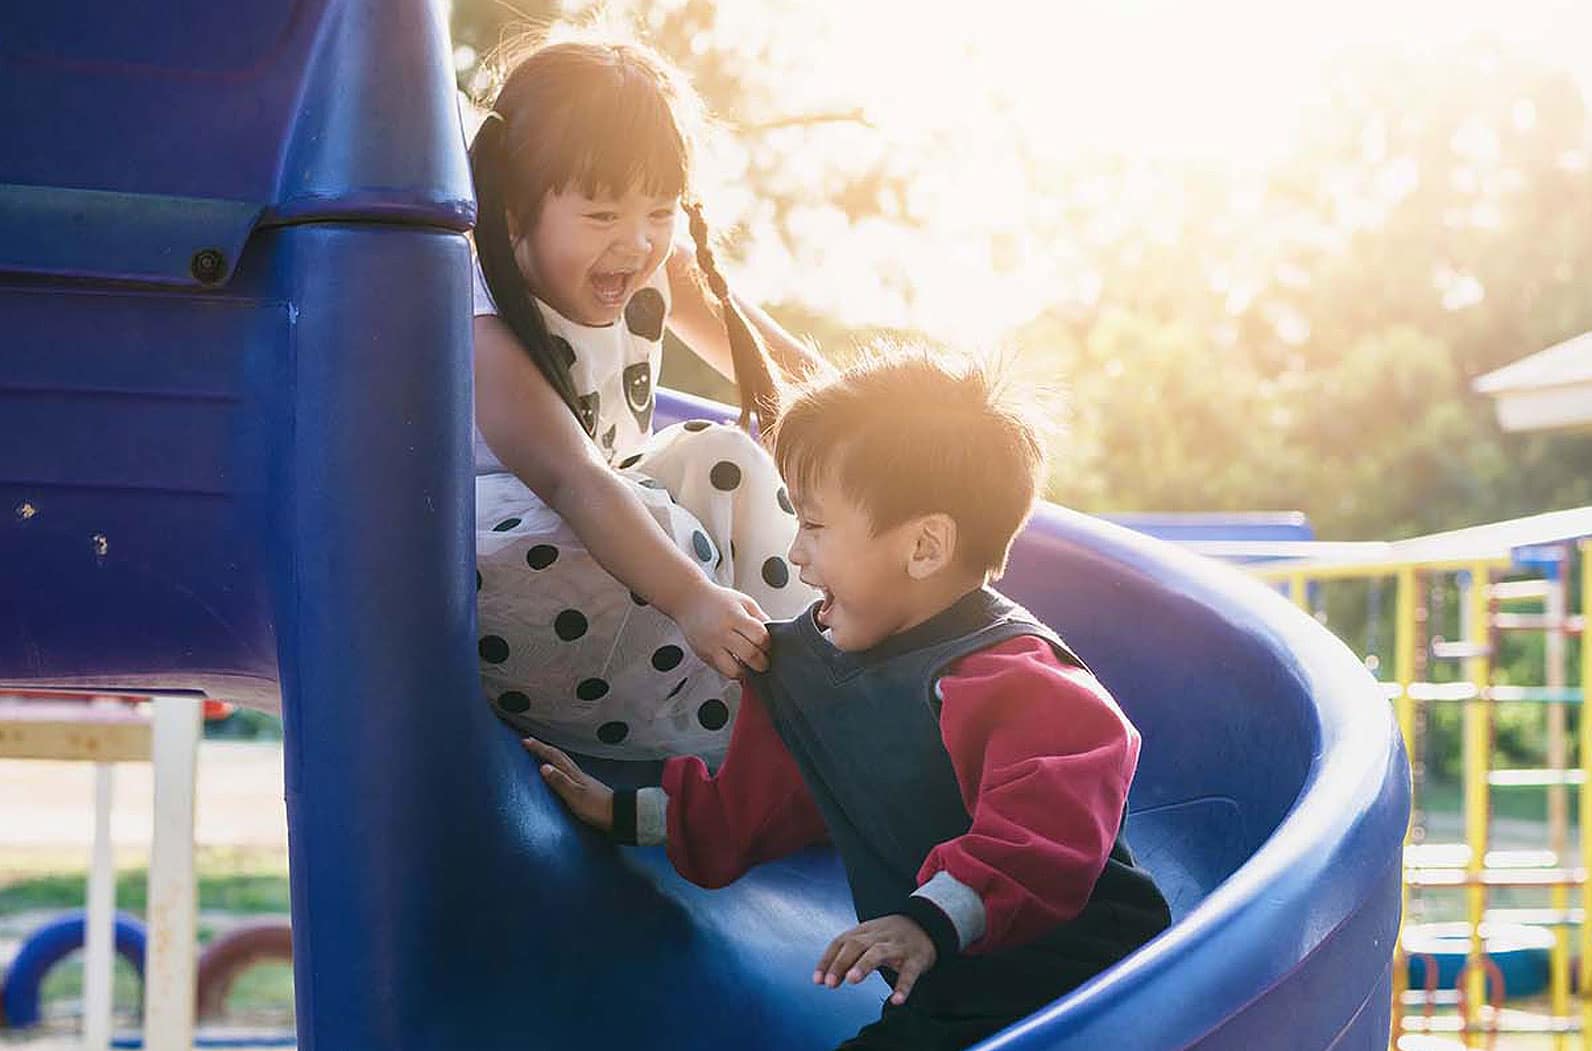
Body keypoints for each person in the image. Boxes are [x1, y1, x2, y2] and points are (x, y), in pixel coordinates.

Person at [527, 350, 1172, 1050]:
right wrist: (622, 810)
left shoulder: (1021, 681)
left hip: (1102, 989)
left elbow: (1045, 837)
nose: (797, 555)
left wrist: (927, 919)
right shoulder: (812, 668)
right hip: (947, 996)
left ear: (925, 545)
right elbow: (754, 805)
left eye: (815, 525)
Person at [468, 29, 827, 763]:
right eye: (602, 215)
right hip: (504, 585)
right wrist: (694, 596)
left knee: (721, 453)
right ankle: (725, 733)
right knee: (660, 517)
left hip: (620, 566)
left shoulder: (659, 268)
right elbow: (573, 477)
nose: (636, 242)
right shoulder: (481, 321)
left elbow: (785, 375)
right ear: (513, 210)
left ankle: (821, 678)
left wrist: (899, 423)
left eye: (659, 211)